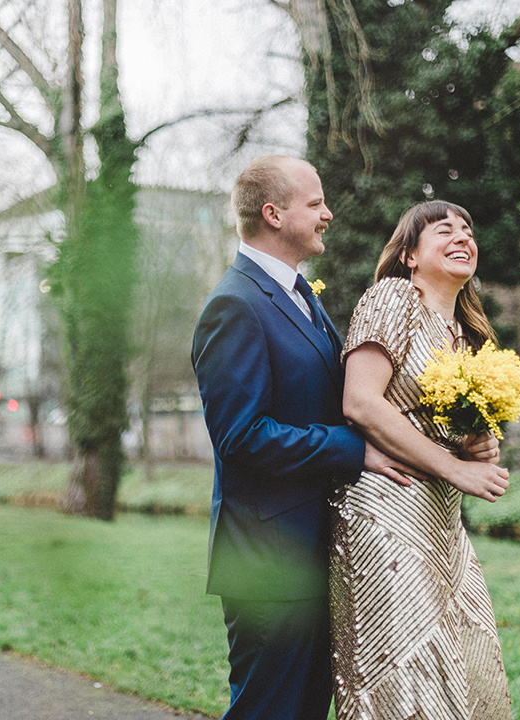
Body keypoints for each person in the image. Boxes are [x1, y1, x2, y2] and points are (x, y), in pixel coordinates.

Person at [192, 155, 419, 720]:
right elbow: (242, 437)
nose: (329, 214)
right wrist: (354, 450)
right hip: (269, 564)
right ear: (273, 214)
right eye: (315, 204)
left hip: (316, 552)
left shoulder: (301, 295)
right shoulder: (234, 305)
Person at [333, 200, 513, 719]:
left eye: (468, 230)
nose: (462, 237)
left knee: (469, 658)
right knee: (405, 668)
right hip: (386, 511)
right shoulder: (392, 297)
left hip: (443, 517)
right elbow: (361, 403)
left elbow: (454, 430)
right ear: (409, 254)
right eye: (444, 230)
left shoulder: (465, 332)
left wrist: (478, 445)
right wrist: (455, 466)